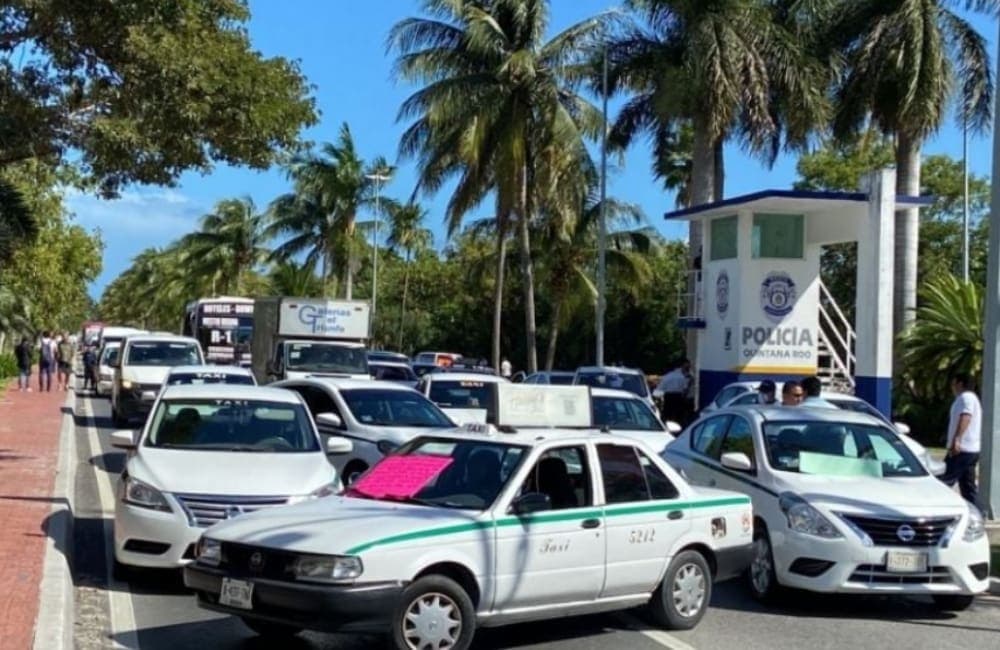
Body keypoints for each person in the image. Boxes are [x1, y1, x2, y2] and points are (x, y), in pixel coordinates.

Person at [940, 373, 983, 509]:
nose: (952, 387)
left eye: (953, 383)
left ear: (959, 384)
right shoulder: (969, 398)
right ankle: (977, 513)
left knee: (944, 482)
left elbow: (966, 416)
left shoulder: (966, 398)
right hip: (970, 449)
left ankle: (933, 509)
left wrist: (957, 439)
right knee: (968, 487)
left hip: (962, 449)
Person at [655, 359, 690, 424]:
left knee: (667, 413)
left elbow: (660, 388)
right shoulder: (682, 377)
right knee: (678, 414)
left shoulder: (667, 377)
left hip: (668, 396)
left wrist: (657, 396)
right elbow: (685, 388)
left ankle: (666, 424)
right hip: (679, 396)